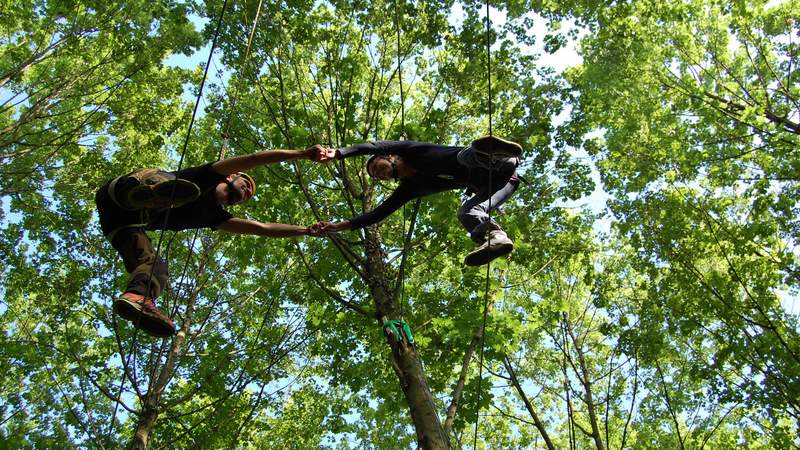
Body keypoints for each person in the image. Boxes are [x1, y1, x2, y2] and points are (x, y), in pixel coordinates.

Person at [95, 147, 326, 338]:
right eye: (245, 183)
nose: (247, 191)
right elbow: (255, 159)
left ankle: (138, 297)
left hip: (123, 226)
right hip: (121, 193)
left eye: (249, 195)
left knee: (155, 265)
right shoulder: (209, 174)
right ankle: (152, 193)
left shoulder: (215, 217)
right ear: (231, 175)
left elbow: (262, 228)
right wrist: (303, 154)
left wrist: (305, 230)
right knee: (180, 187)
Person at [310, 136, 522, 266]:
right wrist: (336, 227)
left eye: (376, 166)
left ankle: (492, 152)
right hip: (497, 185)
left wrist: (338, 153)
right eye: (375, 176)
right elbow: (377, 214)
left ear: (389, 155)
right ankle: (496, 239)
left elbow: (373, 146)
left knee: (463, 156)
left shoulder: (410, 150)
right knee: (466, 213)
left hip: (500, 164)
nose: (378, 173)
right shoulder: (411, 187)